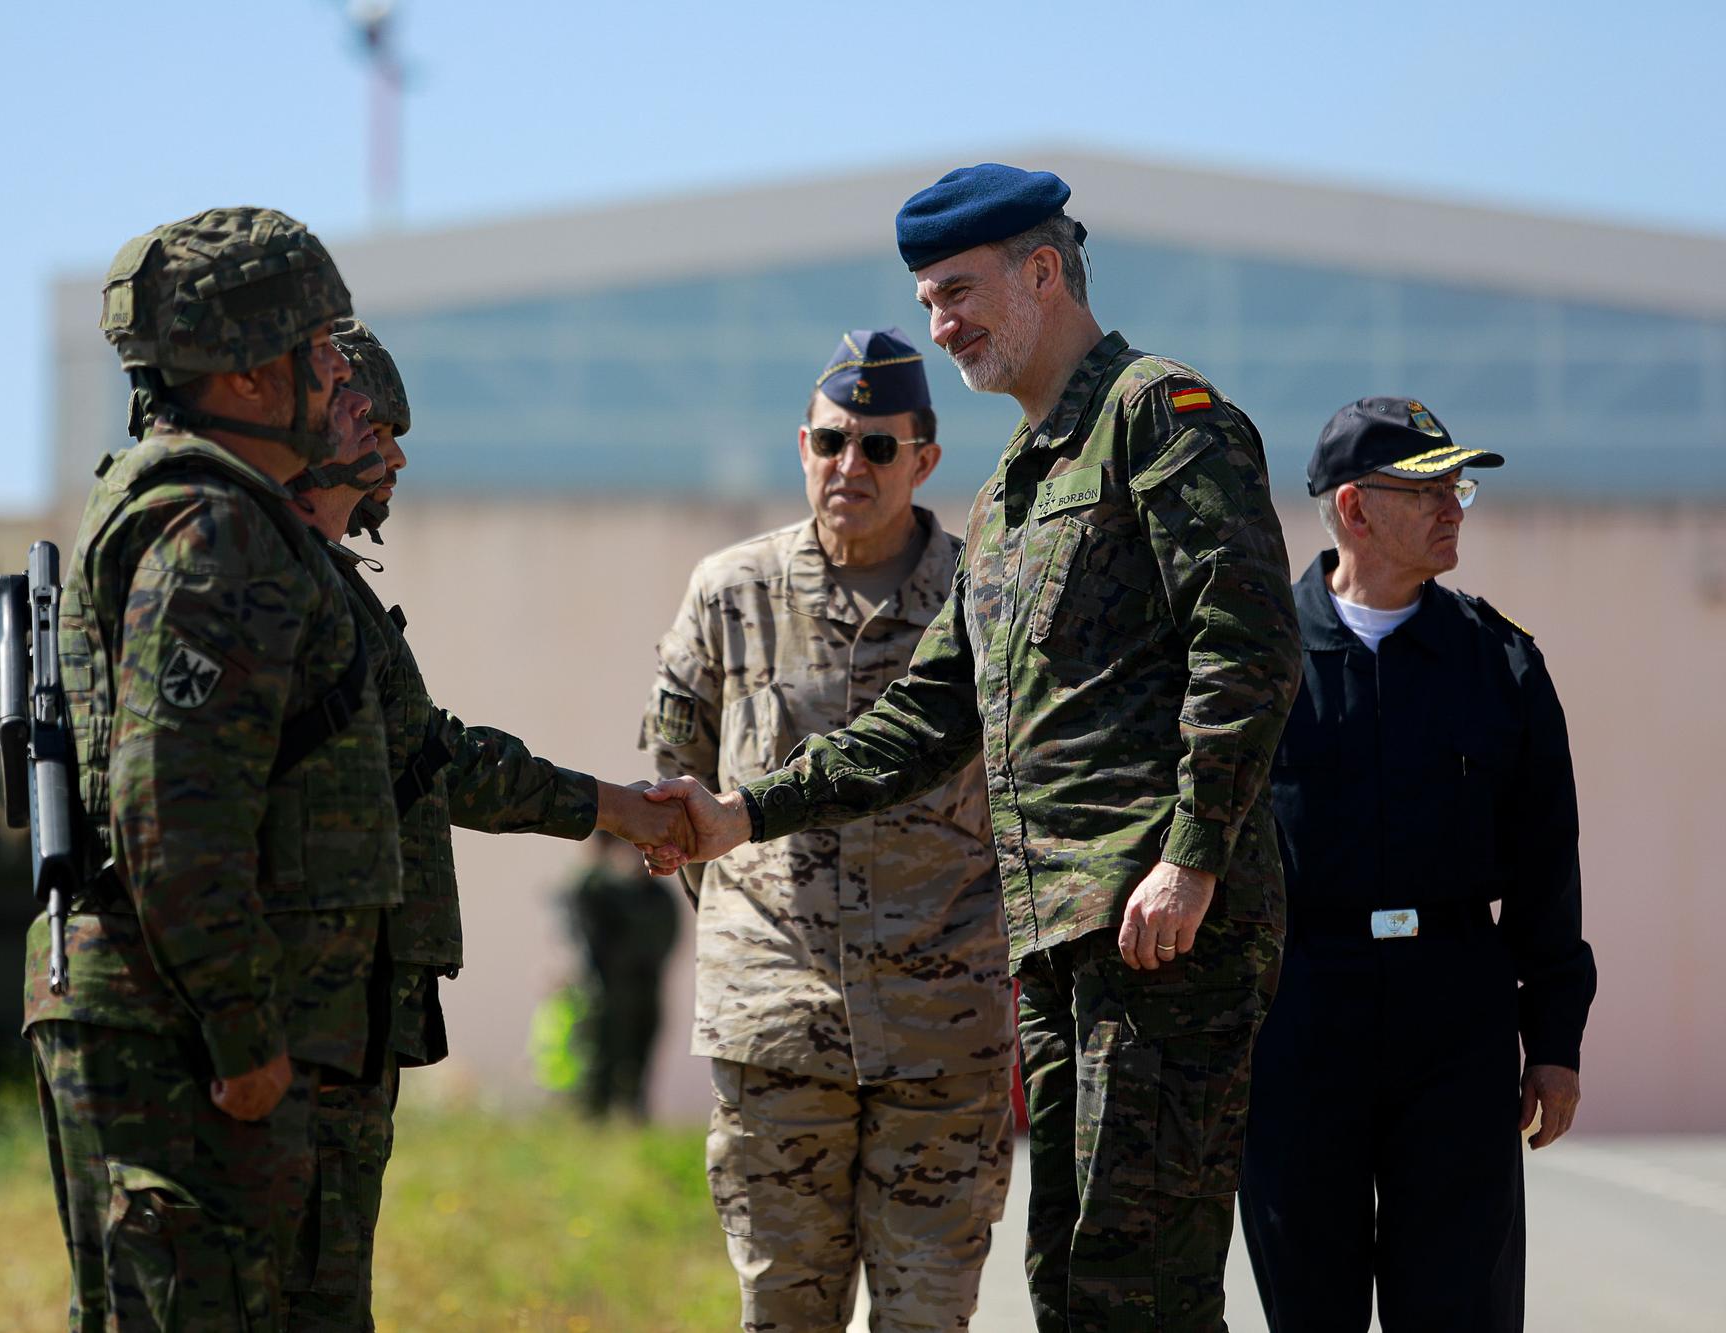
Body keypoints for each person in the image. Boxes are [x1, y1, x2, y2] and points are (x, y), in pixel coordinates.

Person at [647, 164, 1302, 1331]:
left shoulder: (1158, 417)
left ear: (1041, 273)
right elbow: (925, 712)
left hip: (1158, 934)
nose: (939, 324)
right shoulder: (1012, 486)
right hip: (1056, 946)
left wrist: (1190, 856)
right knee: (1069, 1279)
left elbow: (1245, 645)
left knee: (1136, 1283)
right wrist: (747, 813)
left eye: (956, 293)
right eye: (928, 297)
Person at [25, 206, 393, 1332]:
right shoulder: (212, 532)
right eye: (320, 348)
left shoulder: (208, 514)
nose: (342, 374)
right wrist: (241, 1035)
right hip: (181, 1046)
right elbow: (166, 804)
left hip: (176, 1023)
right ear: (241, 378)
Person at [281, 317, 690, 1329]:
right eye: (375, 423)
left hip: (331, 1022)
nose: (396, 456)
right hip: (289, 1020)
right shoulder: (267, 582)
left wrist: (609, 804)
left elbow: (432, 756)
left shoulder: (324, 588)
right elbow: (436, 761)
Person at [643, 326, 1013, 1332]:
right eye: (828, 442)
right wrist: (751, 928)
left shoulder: (978, 600)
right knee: (782, 1311)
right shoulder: (730, 592)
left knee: (927, 1315)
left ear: (924, 459)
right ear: (800, 446)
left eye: (877, 447)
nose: (849, 465)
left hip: (943, 1019)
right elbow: (679, 789)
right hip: (778, 1019)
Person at [1238, 398, 1596, 1332]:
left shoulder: (1499, 662)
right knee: (1308, 1303)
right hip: (1300, 1020)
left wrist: (1553, 1041)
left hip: (1455, 1020)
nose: (1454, 509)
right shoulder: (1254, 662)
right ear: (1354, 509)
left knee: (1460, 1303)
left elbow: (1546, 866)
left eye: (1458, 487)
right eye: (1429, 490)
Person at [564, 830, 681, 1120]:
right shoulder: (596, 887)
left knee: (638, 1067)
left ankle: (632, 1123)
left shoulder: (654, 894)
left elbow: (667, 937)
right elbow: (591, 938)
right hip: (605, 993)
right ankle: (593, 1126)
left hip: (644, 990)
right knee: (599, 1068)